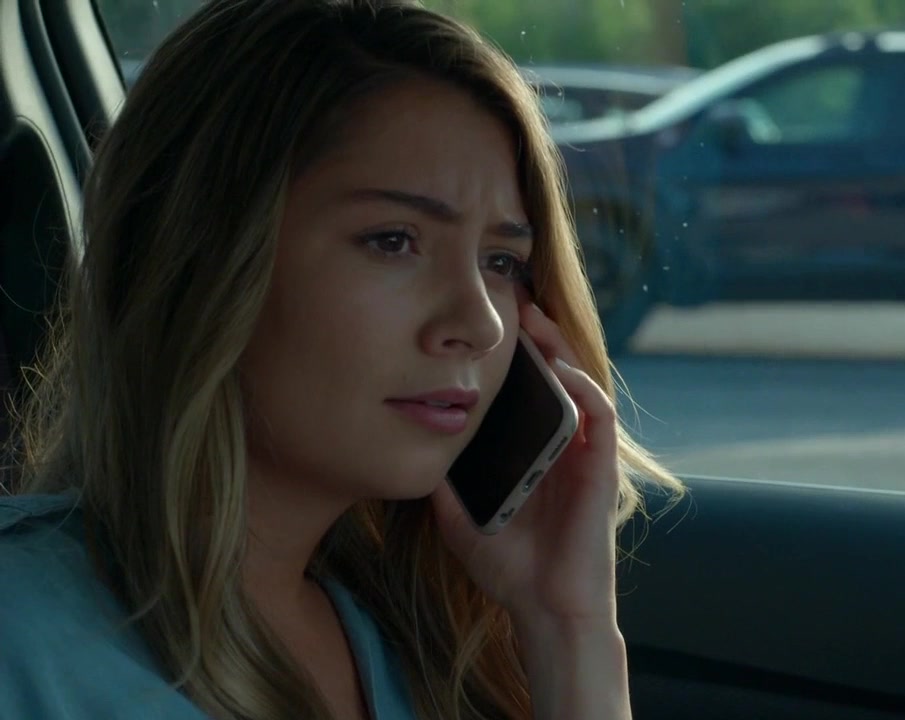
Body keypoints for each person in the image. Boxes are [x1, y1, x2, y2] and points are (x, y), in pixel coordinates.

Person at [0, 0, 683, 718]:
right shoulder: (22, 635)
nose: (481, 324)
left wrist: (569, 627)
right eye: (394, 241)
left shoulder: (409, 644)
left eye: (502, 262)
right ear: (198, 258)